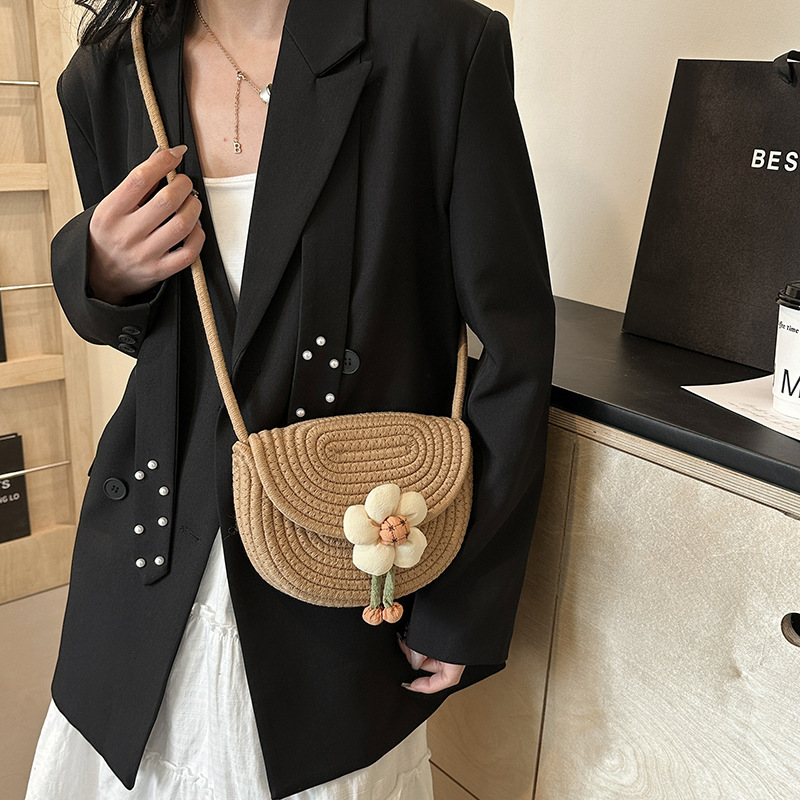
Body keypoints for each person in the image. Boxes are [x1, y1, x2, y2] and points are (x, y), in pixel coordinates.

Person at [25, 0, 555, 797]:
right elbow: (160, 339)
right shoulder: (107, 69)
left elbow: (515, 342)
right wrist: (97, 270)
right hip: (151, 556)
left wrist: (463, 598)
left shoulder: (440, 45)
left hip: (345, 566)